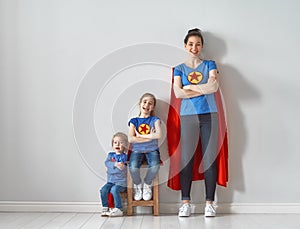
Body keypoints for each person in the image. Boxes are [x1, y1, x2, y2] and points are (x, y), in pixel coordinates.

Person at [169, 28, 228, 217]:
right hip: (188, 117)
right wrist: (203, 89)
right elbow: (178, 93)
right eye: (191, 44)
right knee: (187, 160)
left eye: (198, 44)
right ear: (185, 46)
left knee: (209, 159)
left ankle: (209, 203)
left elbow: (214, 86)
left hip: (209, 115)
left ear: (202, 46)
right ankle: (185, 202)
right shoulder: (179, 68)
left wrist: (190, 87)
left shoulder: (210, 64)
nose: (195, 47)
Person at [128, 93, 162, 201]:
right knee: (133, 167)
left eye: (150, 103)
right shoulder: (134, 121)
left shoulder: (154, 120)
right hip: (137, 150)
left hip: (152, 150)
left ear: (153, 107)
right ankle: (137, 184)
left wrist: (140, 136)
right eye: (145, 102)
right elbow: (130, 139)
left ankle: (147, 183)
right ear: (140, 103)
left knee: (155, 166)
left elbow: (158, 135)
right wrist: (149, 138)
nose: (147, 105)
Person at [100, 132, 128, 217]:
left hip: (121, 183)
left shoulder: (126, 157)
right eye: (115, 142)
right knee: (103, 190)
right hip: (110, 181)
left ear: (125, 145)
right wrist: (115, 165)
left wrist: (112, 170)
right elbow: (107, 163)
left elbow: (124, 170)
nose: (118, 144)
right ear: (112, 144)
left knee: (114, 190)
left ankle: (119, 208)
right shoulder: (110, 155)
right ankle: (105, 207)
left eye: (121, 142)